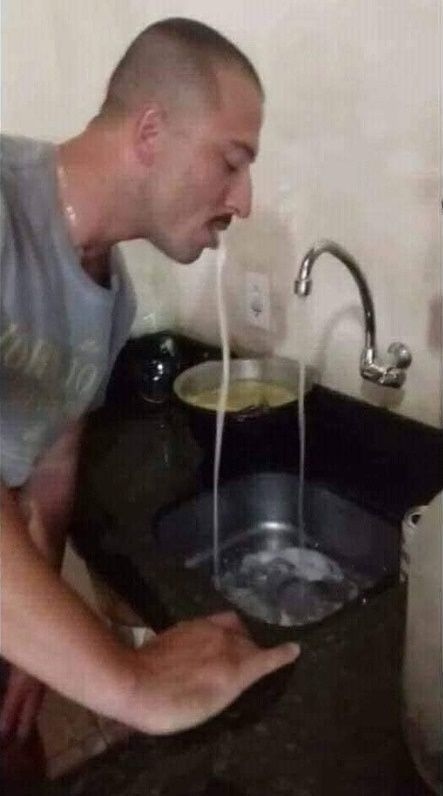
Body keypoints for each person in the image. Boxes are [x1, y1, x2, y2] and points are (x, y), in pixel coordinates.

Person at [0, 17, 299, 785]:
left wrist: (42, 645)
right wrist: (127, 681)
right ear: (151, 131)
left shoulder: (112, 300)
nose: (244, 199)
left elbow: (53, 467)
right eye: (231, 162)